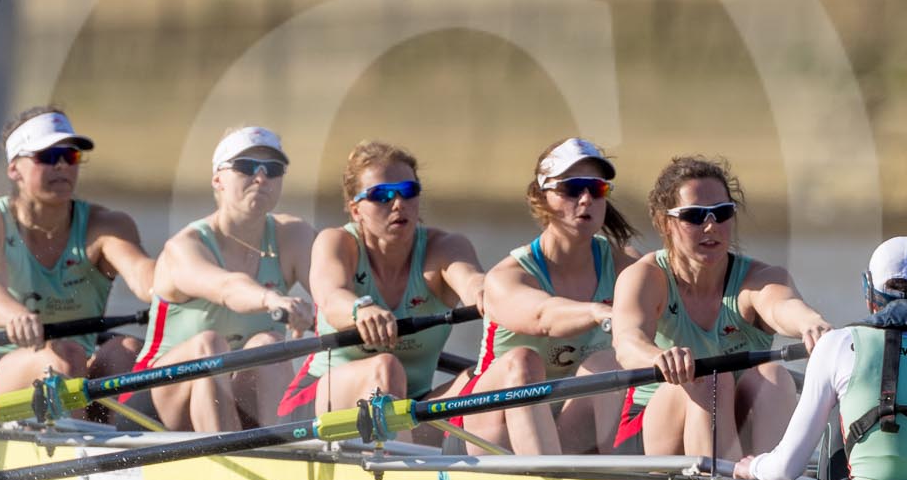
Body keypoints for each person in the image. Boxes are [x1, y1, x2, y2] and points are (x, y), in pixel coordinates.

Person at [610, 155, 830, 460]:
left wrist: (811, 322)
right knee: (710, 378)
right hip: (651, 431)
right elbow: (627, 343)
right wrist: (659, 357)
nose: (711, 226)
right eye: (695, 216)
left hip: (730, 427)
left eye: (722, 213)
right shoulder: (646, 277)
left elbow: (783, 305)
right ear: (665, 222)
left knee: (775, 377)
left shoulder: (759, 279)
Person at [279, 141, 483, 439]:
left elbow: (475, 283)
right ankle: (400, 466)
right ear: (355, 210)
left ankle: (532, 470)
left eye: (408, 191)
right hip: (317, 406)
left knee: (488, 377)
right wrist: (360, 309)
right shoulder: (337, 243)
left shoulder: (446, 248)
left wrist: (492, 297)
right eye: (382, 195)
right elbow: (331, 297)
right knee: (386, 368)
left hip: (410, 410)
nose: (398, 203)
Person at [737, 236, 907, 480]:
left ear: (868, 292)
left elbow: (785, 468)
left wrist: (752, 466)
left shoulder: (836, 345)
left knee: (838, 413)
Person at [0, 106, 155, 398]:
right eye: (48, 157)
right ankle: (86, 435)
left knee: (126, 350)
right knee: (62, 358)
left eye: (70, 156)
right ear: (14, 168)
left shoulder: (106, 226)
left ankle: (117, 437)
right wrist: (15, 315)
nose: (62, 165)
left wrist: (190, 276)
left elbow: (146, 279)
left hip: (75, 365)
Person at [133, 127, 315, 431]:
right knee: (209, 345)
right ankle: (227, 458)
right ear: (218, 178)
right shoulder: (185, 246)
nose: (260, 178)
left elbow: (335, 292)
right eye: (245, 167)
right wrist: (272, 299)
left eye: (272, 170)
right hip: (150, 402)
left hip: (228, 393)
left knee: (268, 344)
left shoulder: (293, 236)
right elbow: (228, 288)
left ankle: (280, 454)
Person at [466, 138, 640, 454]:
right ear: (541, 197)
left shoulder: (624, 265)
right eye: (573, 188)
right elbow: (544, 317)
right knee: (523, 362)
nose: (586, 199)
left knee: (607, 363)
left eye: (596, 189)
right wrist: (598, 312)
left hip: (564, 426)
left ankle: (627, 479)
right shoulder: (508, 277)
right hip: (486, 435)